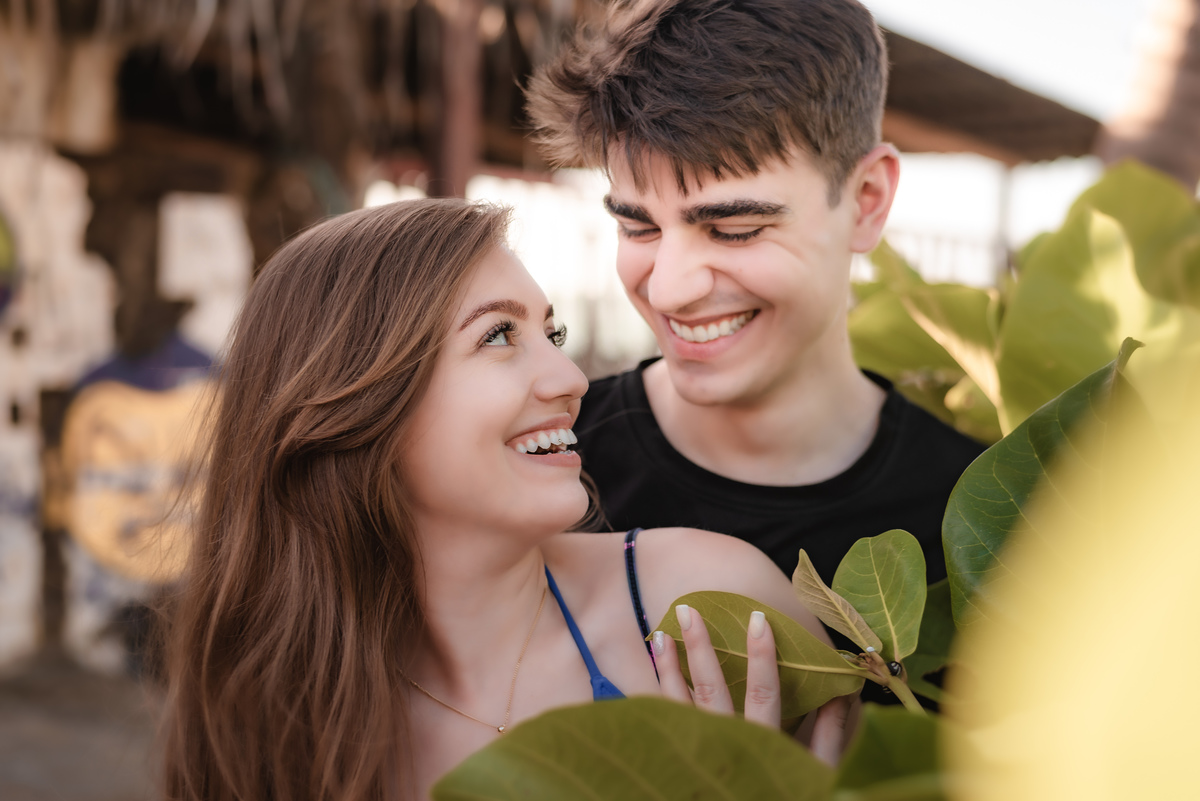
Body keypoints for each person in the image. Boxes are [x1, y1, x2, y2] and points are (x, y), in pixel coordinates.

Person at [161, 199, 848, 801]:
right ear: (360, 404)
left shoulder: (705, 607)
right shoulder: (264, 708)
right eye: (498, 335)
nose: (571, 377)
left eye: (551, 334)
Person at [526, 0, 987, 587]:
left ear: (867, 201)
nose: (669, 290)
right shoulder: (550, 472)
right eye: (638, 227)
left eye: (734, 230)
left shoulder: (980, 529)